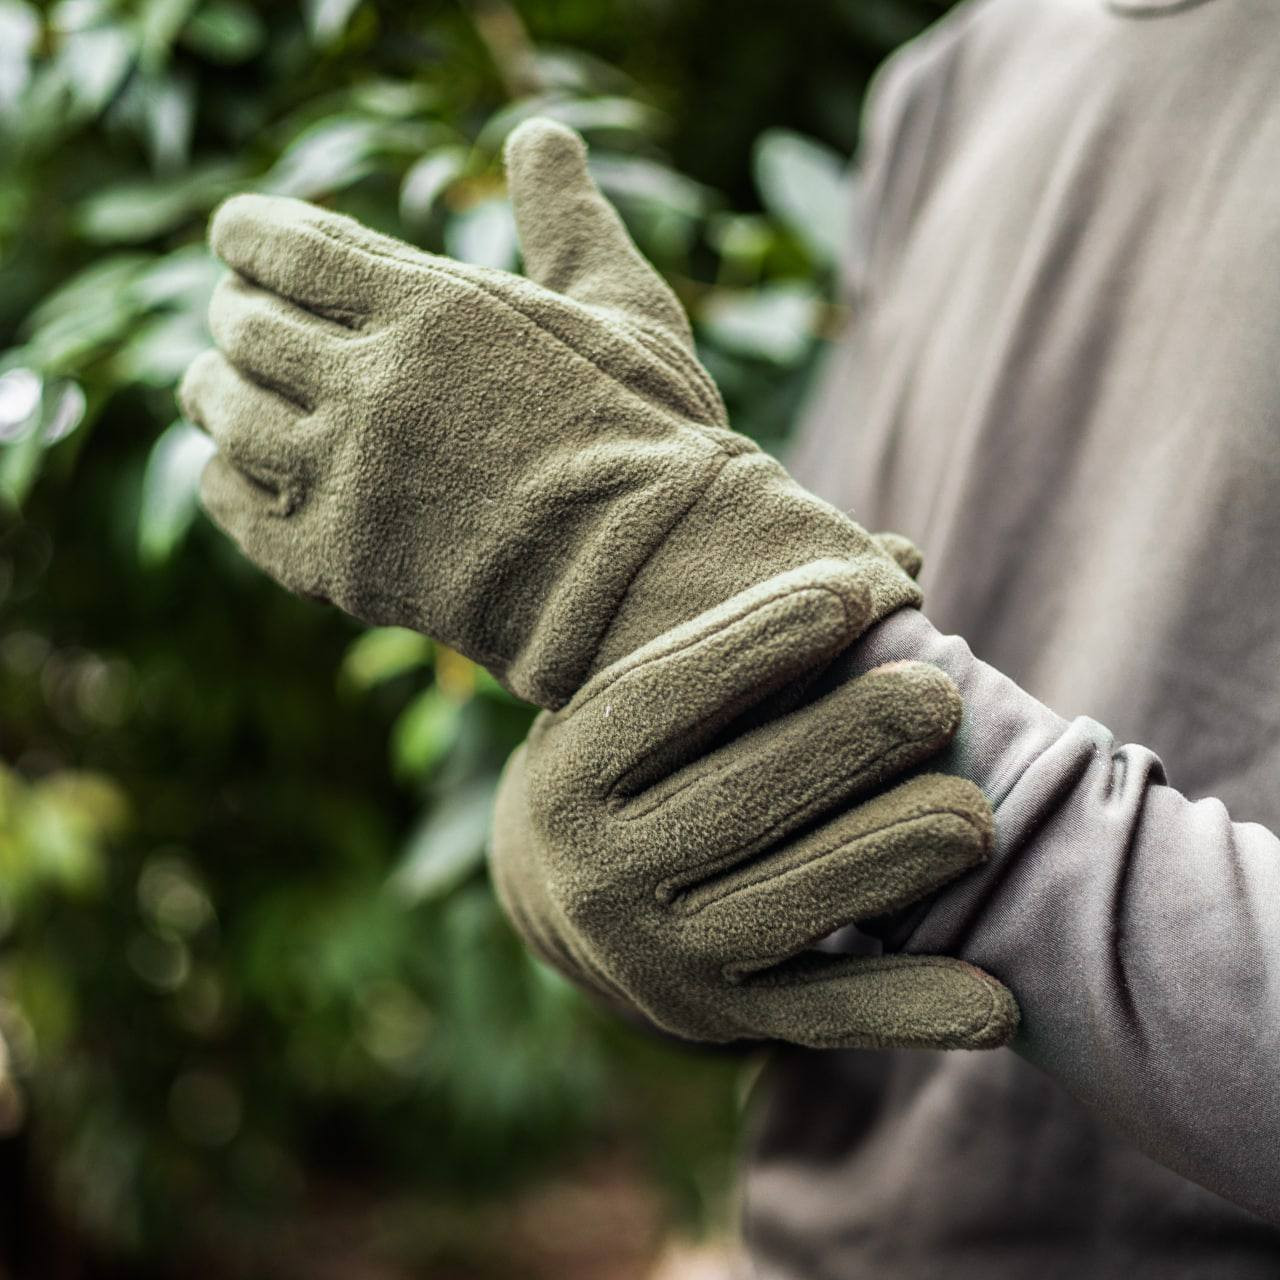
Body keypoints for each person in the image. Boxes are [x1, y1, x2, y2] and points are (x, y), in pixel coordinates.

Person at [177, 0, 1280, 1272]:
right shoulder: (954, 81)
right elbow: (791, 653)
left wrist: (642, 568)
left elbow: (832, 666)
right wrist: (592, 846)